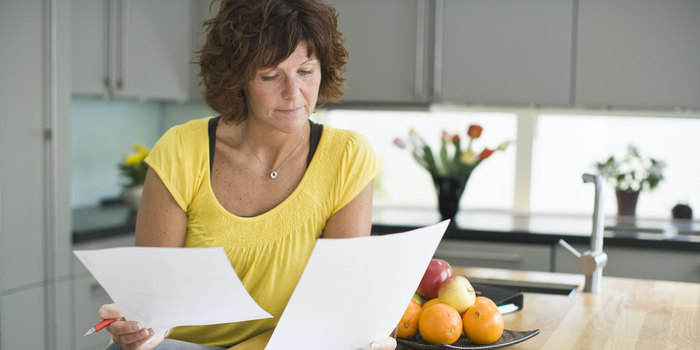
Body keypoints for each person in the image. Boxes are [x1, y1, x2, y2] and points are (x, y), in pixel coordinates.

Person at [98, 0, 396, 349]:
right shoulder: (182, 151)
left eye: (306, 71)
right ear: (237, 78)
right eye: (270, 76)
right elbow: (152, 306)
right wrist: (141, 329)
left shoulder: (346, 157)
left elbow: (333, 306)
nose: (293, 94)